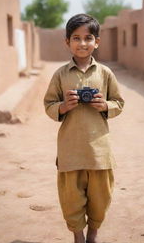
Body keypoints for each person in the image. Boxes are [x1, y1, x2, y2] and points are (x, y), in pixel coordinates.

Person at [44, 13, 124, 243]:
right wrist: (63, 106)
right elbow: (48, 105)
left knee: (101, 197)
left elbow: (119, 103)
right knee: (71, 199)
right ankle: (78, 237)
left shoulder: (105, 73)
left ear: (97, 42)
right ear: (67, 42)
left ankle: (93, 235)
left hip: (99, 151)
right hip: (70, 151)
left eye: (88, 38)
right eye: (76, 38)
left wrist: (104, 105)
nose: (82, 43)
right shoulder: (60, 74)